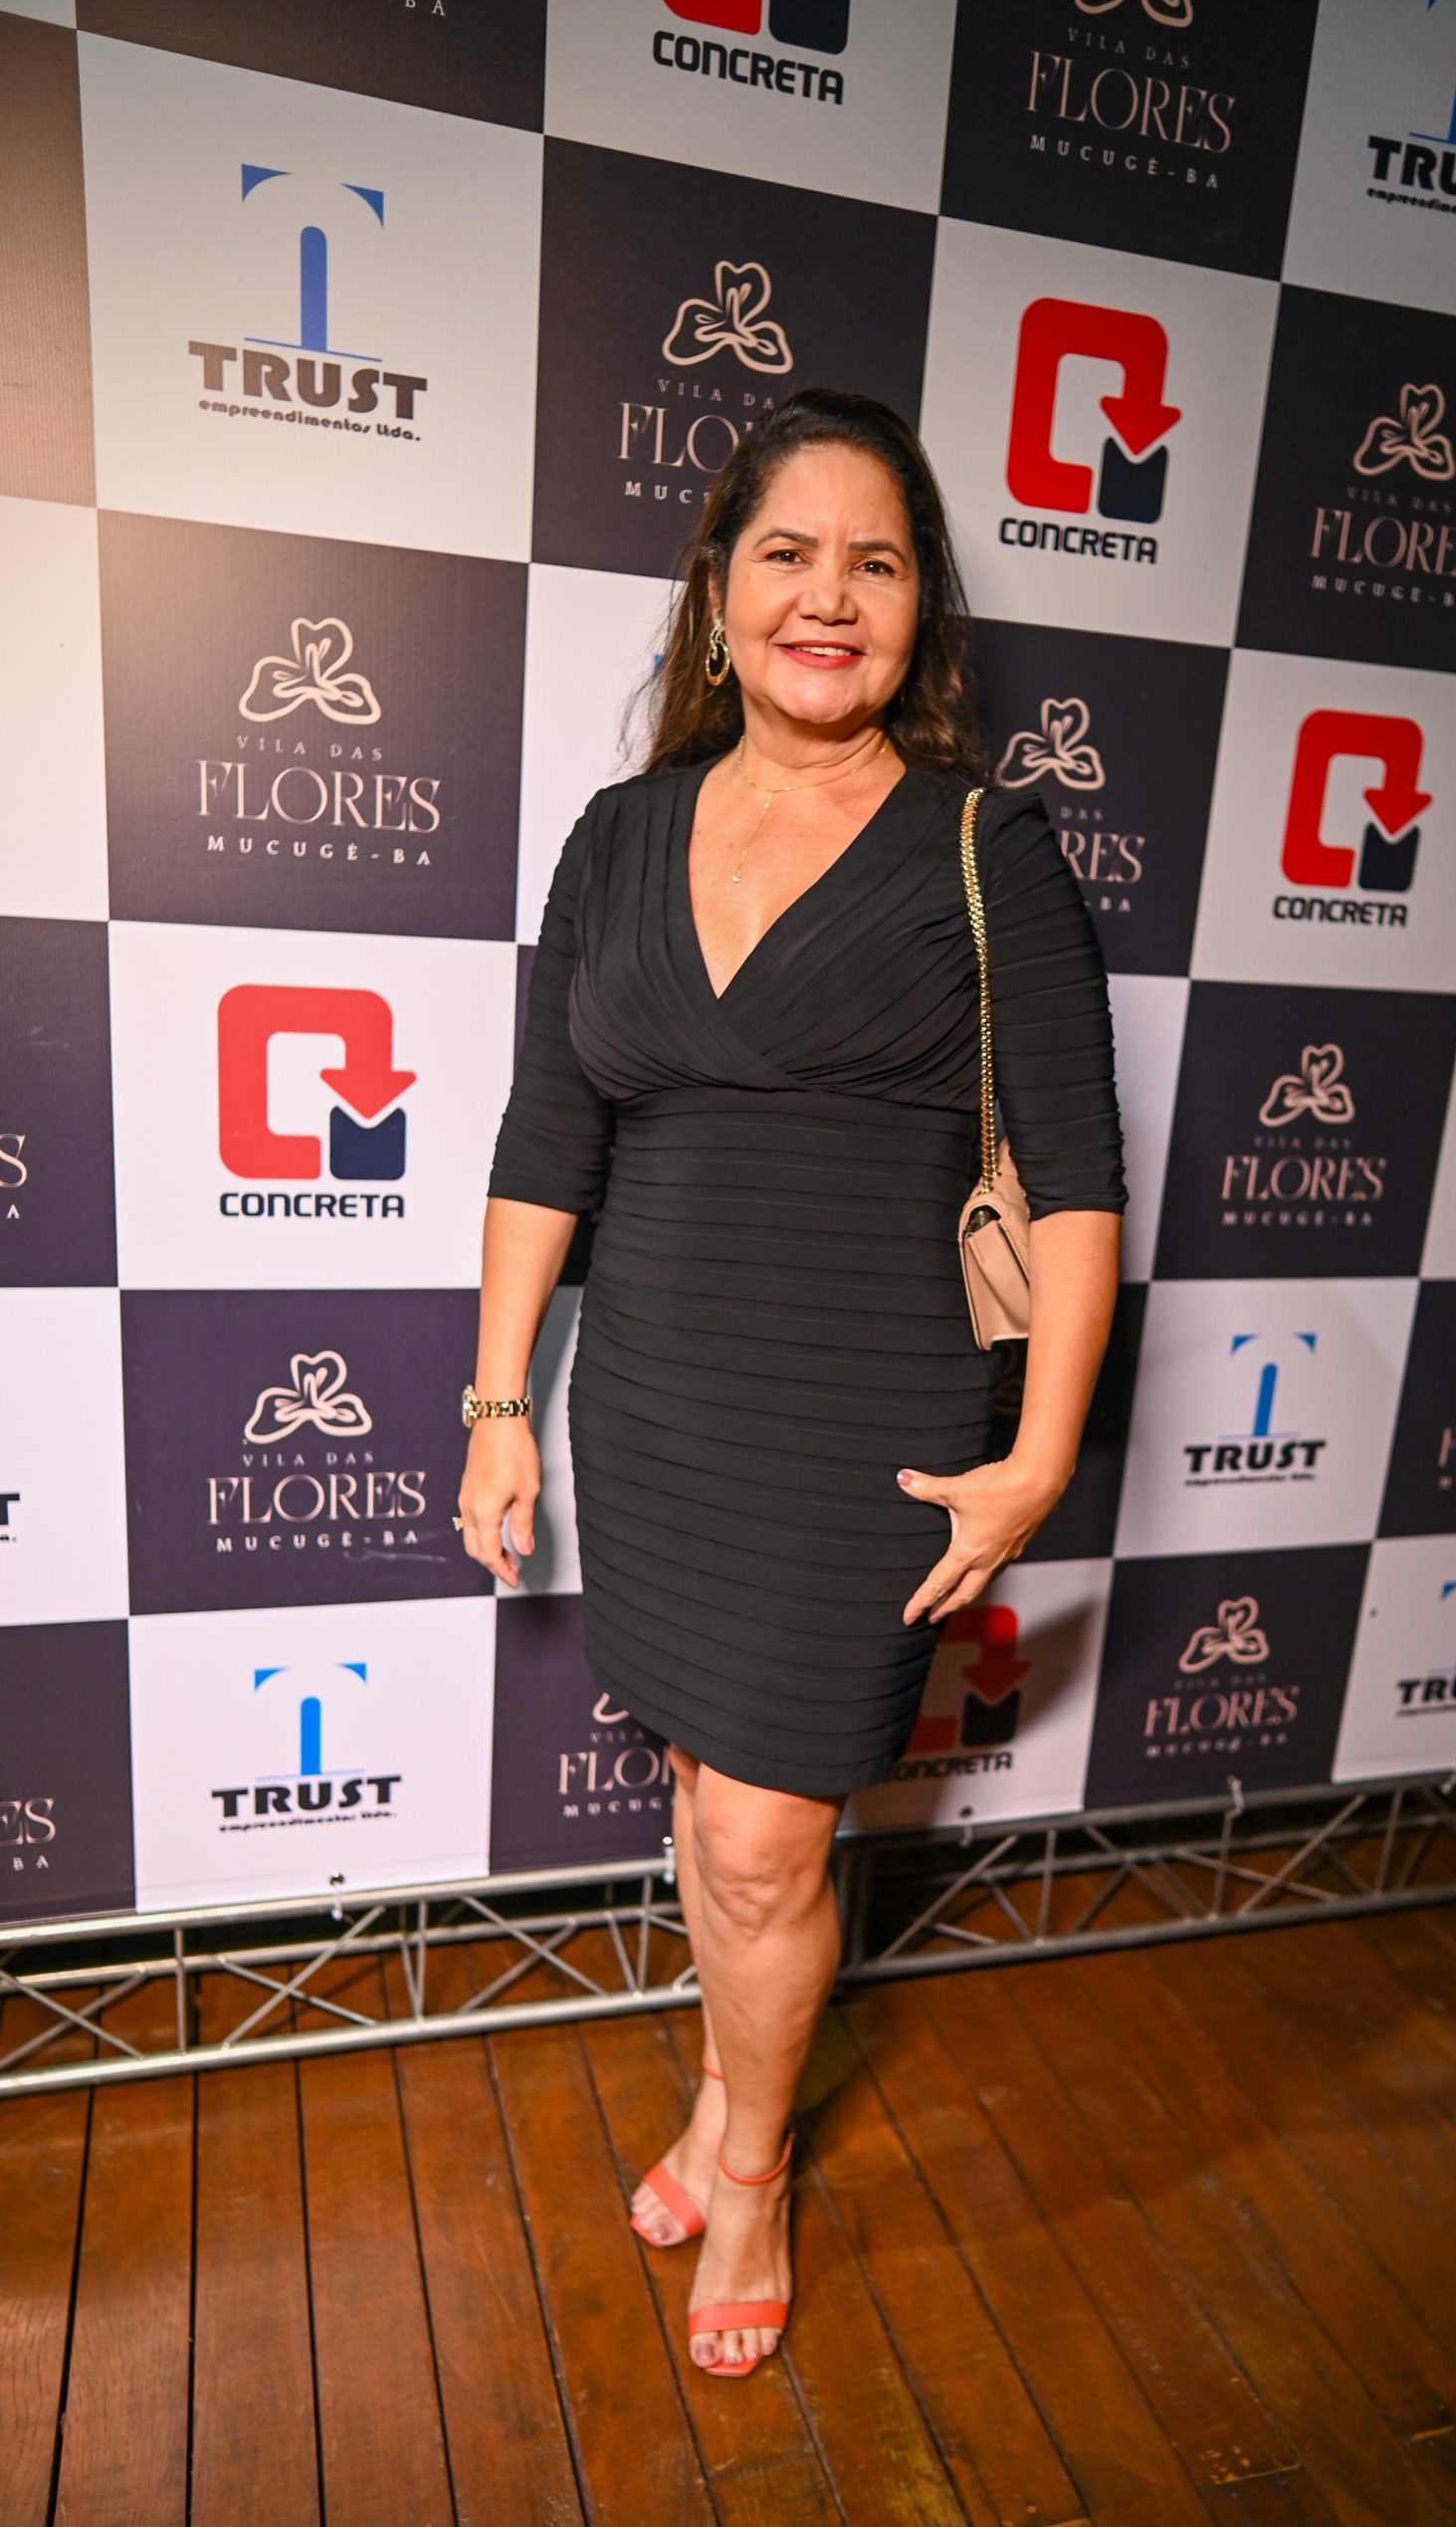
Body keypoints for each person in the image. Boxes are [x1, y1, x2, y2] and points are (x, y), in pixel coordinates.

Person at [458, 388, 1126, 2381]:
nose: (828, 597)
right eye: (788, 554)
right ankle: (720, 2098)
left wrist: (1038, 1456)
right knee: (700, 1792)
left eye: (876, 563)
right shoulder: (619, 836)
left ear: (919, 611)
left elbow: (1076, 1185)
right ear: (718, 587)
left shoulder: (985, 848)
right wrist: (500, 1399)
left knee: (759, 1838)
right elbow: (545, 1134)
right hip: (657, 1402)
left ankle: (749, 2172)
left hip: (857, 1426)